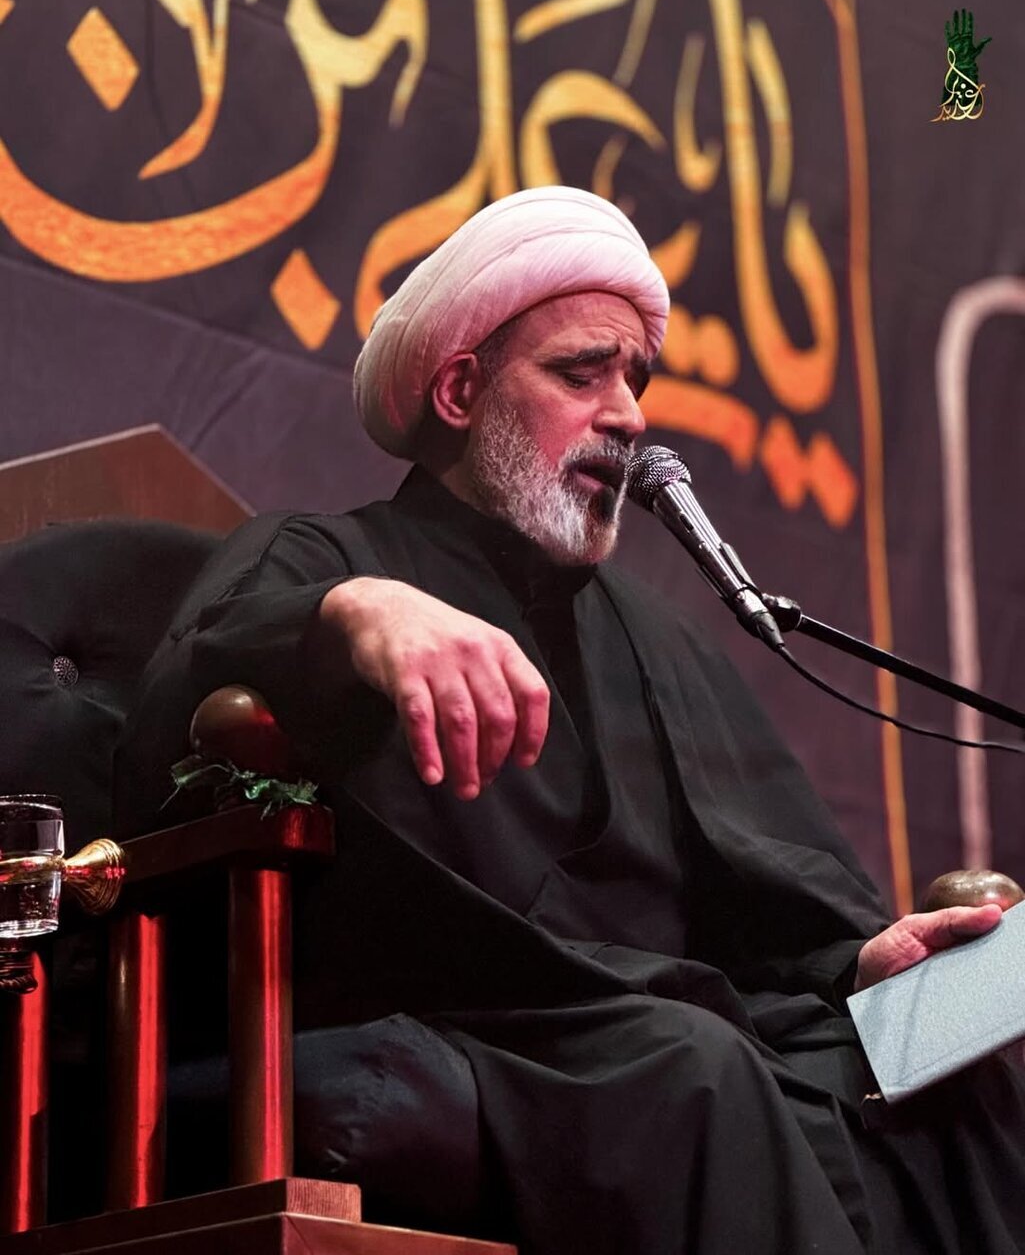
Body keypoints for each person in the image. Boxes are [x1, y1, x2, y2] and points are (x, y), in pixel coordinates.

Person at [115, 187, 1025, 1253]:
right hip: (492, 1015)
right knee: (694, 1066)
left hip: (669, 1017)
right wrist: (356, 615)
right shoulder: (333, 560)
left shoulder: (654, 633)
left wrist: (856, 966)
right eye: (581, 374)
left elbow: (757, 899)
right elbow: (185, 707)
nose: (628, 415)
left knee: (942, 1067)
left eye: (634, 380)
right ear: (460, 390)